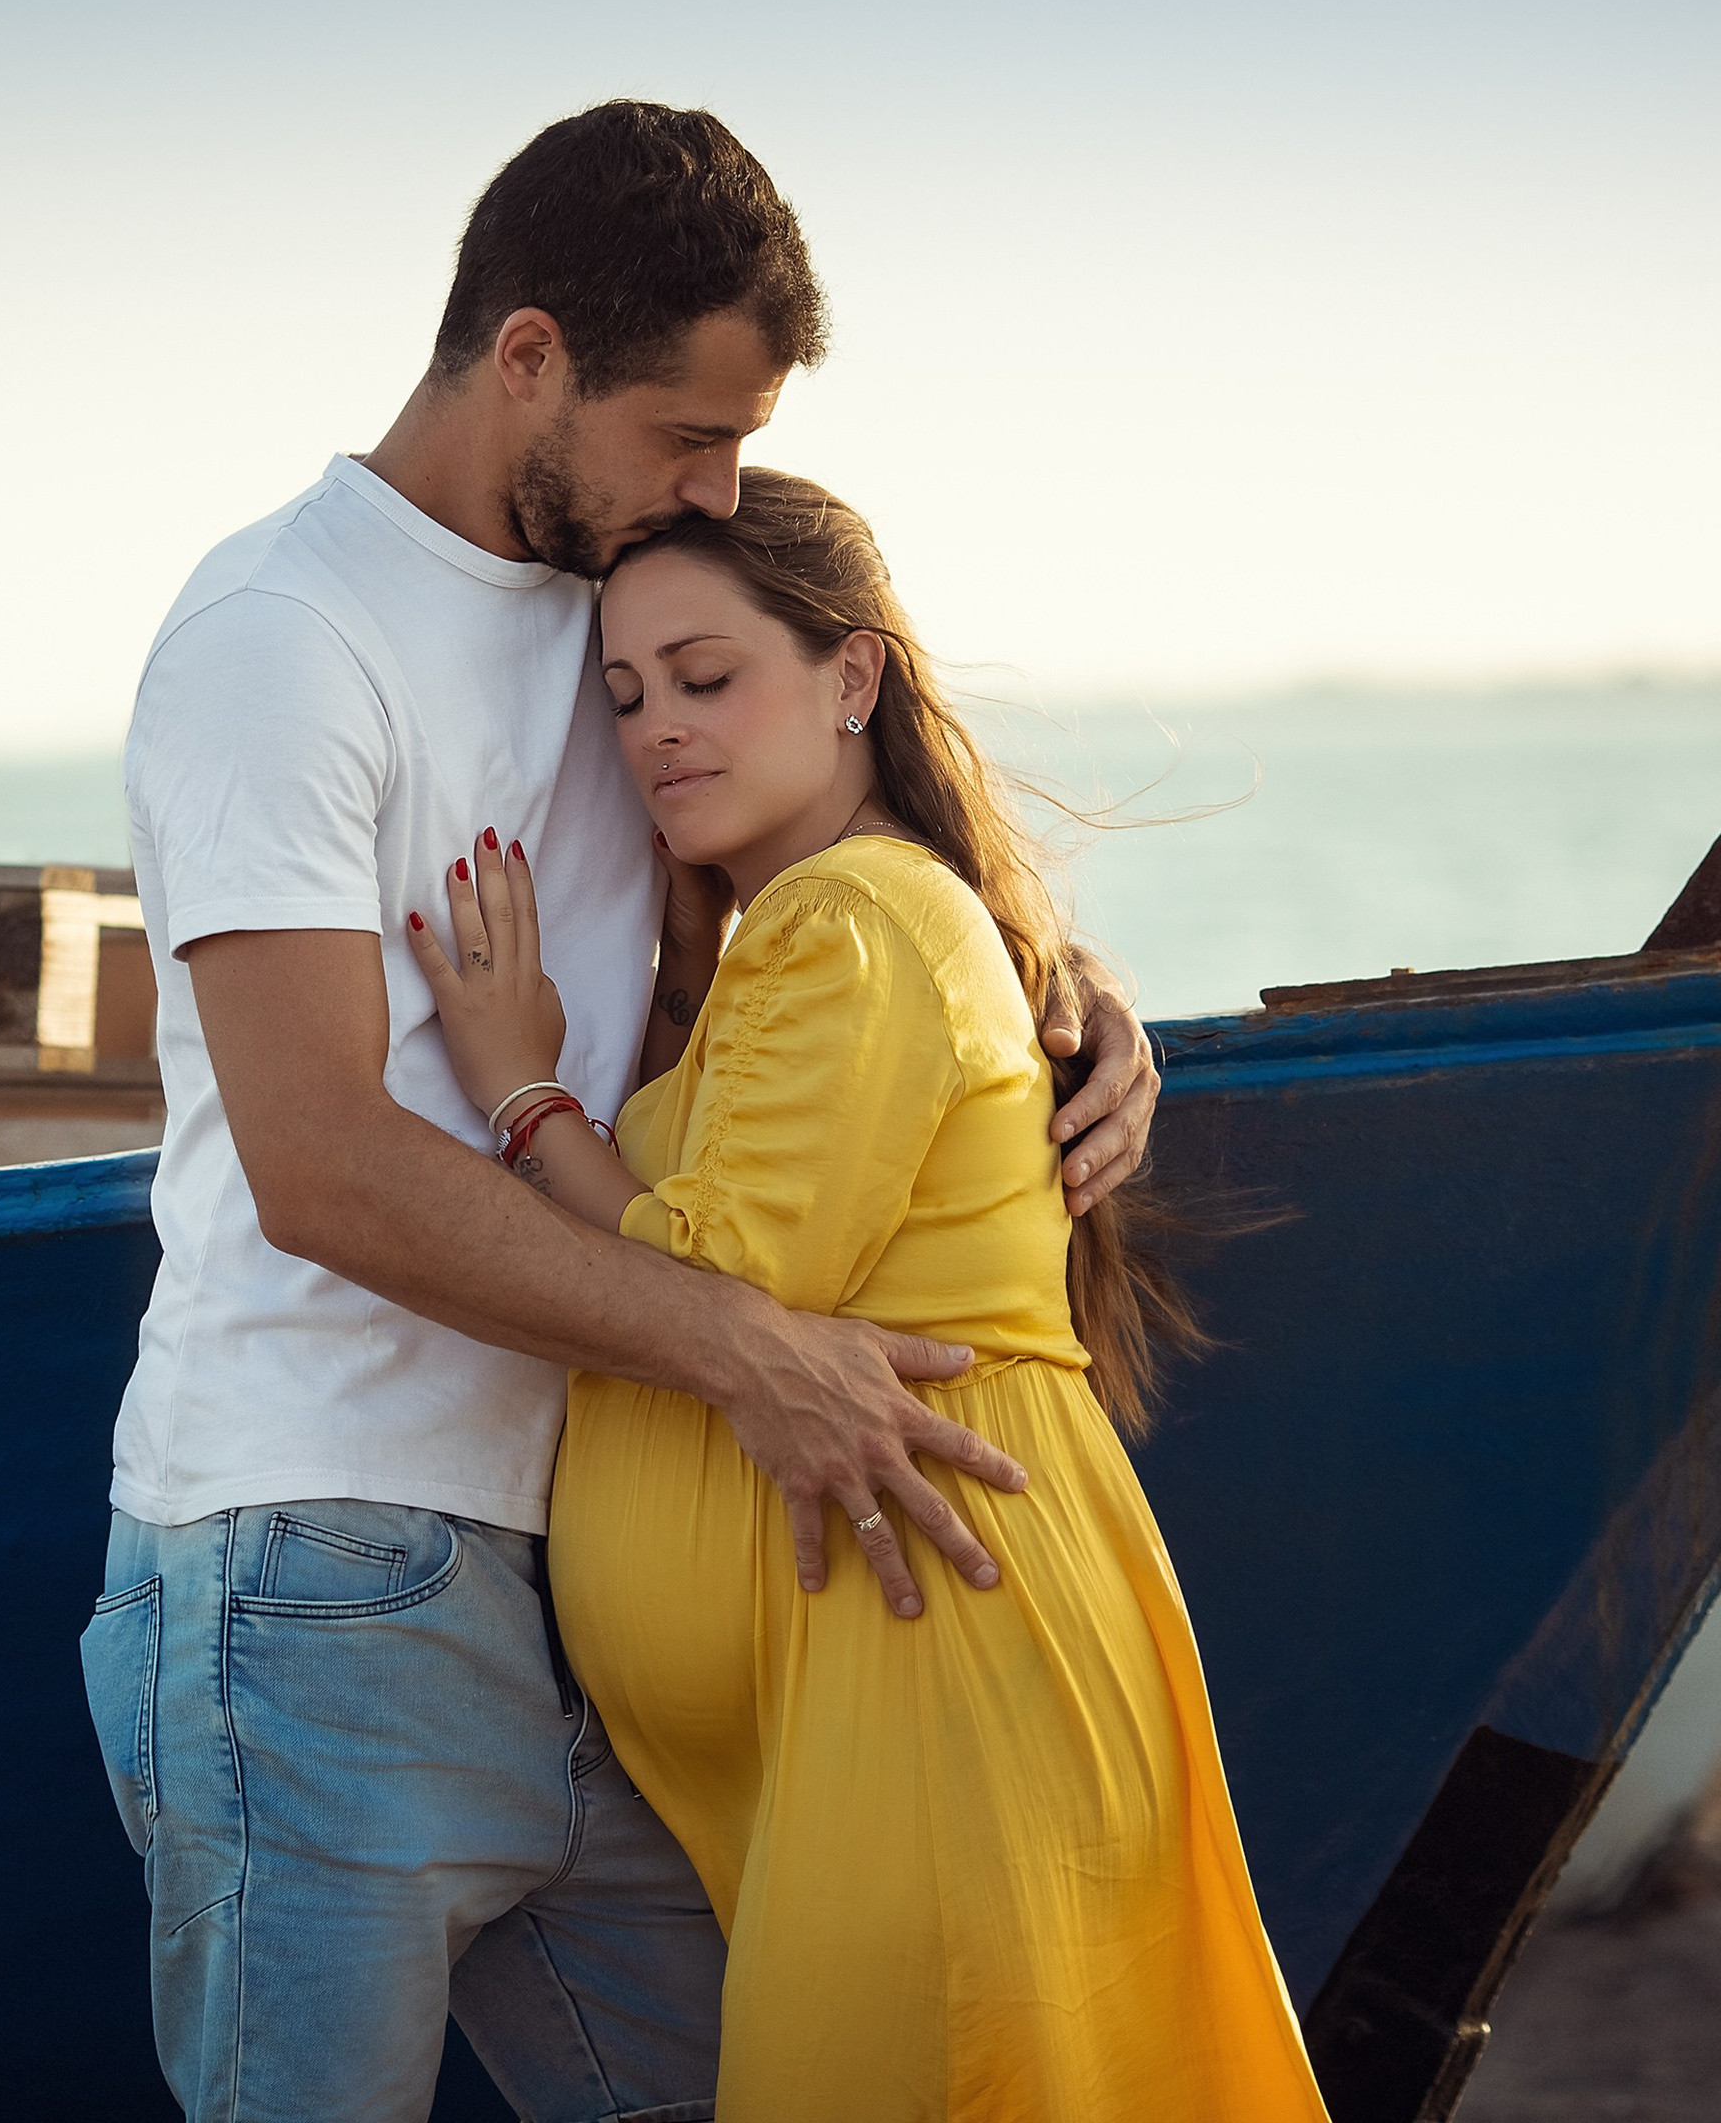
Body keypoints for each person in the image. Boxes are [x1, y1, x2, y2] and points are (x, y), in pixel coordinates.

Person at [83, 102, 1162, 2123]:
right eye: (687, 434)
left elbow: (789, 890)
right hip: (315, 1566)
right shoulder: (277, 639)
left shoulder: (616, 614)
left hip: (572, 1559)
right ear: (525, 358)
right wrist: (751, 1352)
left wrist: (1040, 995)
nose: (718, 481)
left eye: (739, 444)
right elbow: (314, 1159)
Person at [403, 471, 1328, 2122]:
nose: (658, 732)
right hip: (881, 1688)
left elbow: (715, 1283)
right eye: (622, 699)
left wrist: (520, 1091)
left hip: (930, 1667)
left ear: (853, 678)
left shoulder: (857, 913)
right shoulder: (831, 923)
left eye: (706, 677)